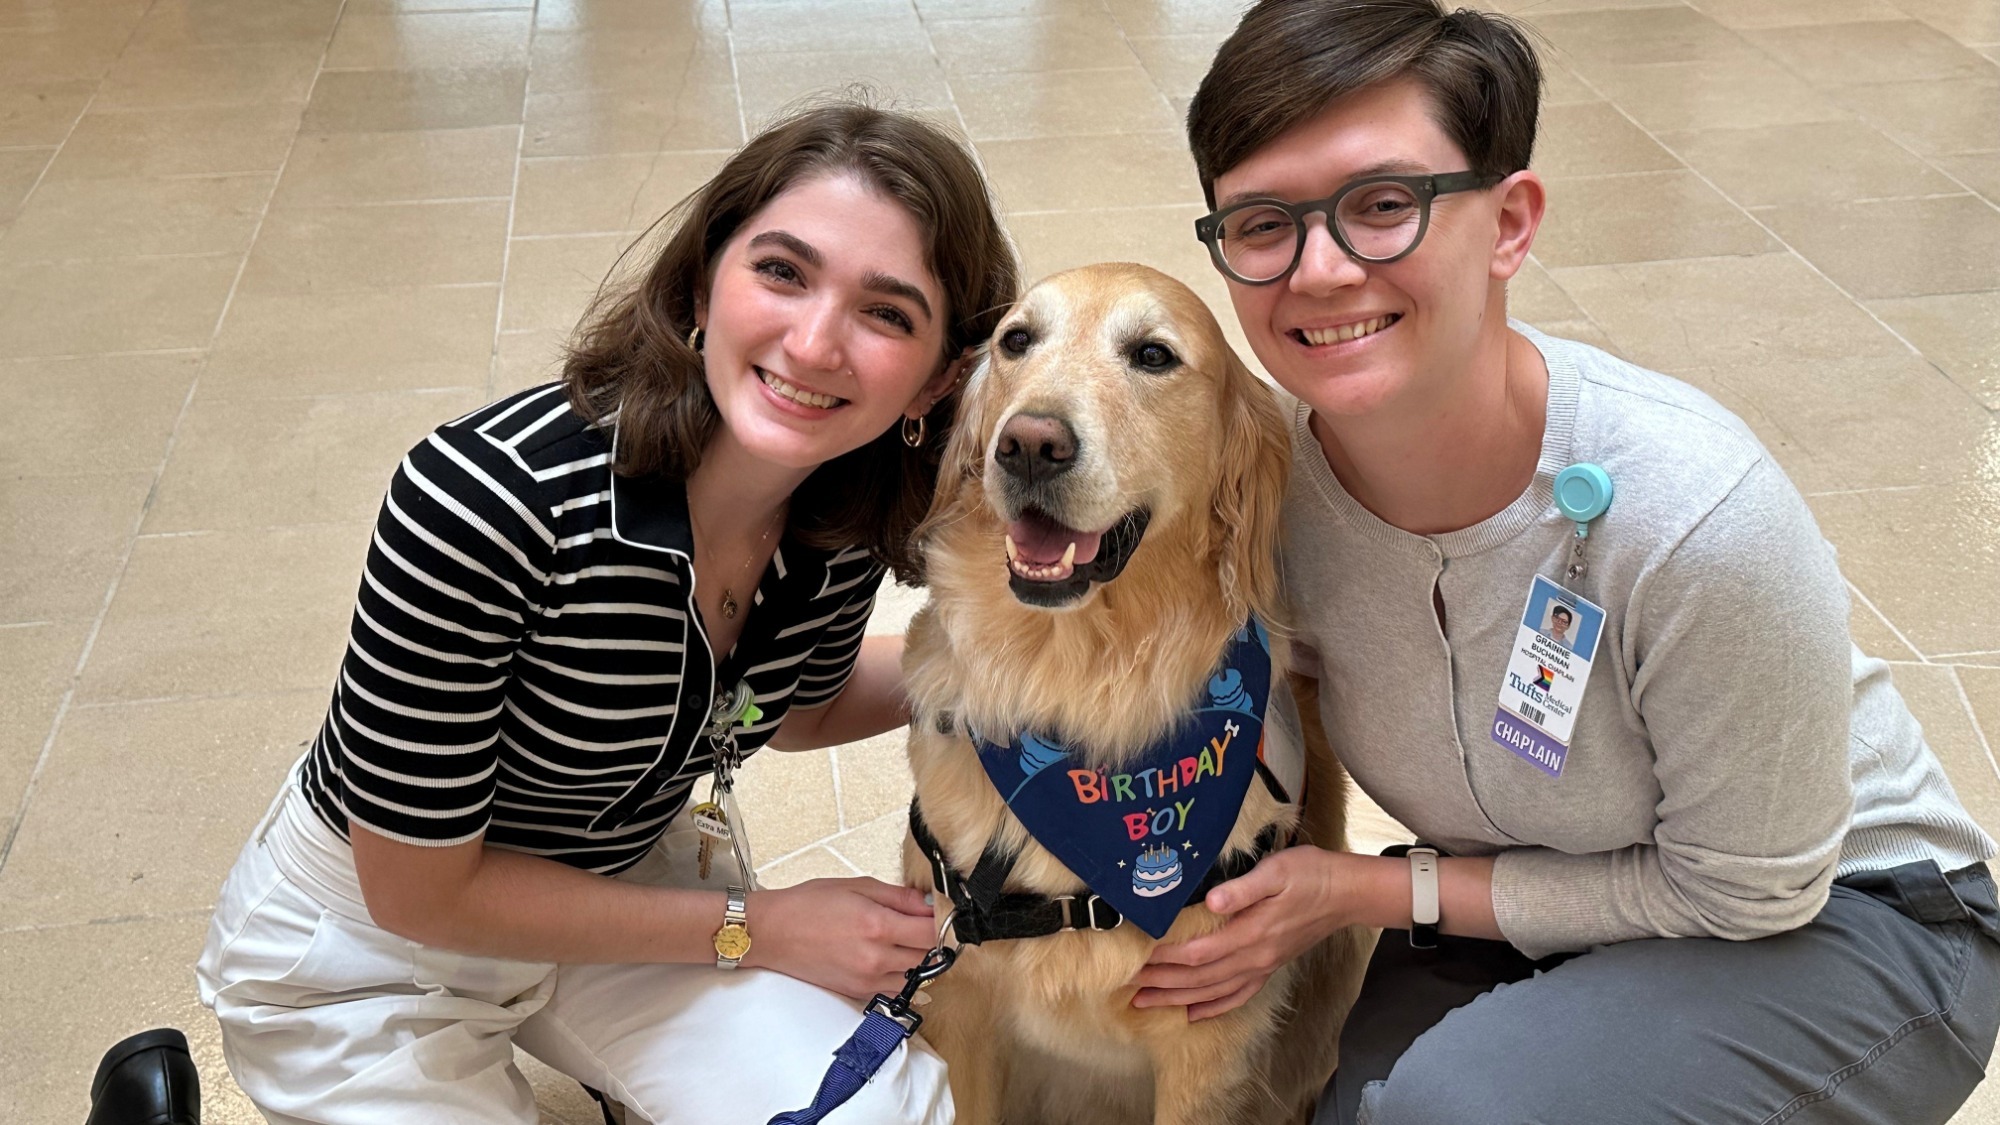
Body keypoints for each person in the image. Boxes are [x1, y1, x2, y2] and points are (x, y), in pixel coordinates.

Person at [1131, 3, 2000, 1123]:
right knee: (1330, 1106)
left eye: (1383, 205)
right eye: (1261, 222)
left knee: (1448, 1111)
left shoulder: (1691, 513)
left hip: (1838, 918)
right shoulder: (1260, 491)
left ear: (1508, 222)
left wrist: (1366, 890)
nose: (1321, 268)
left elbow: (1746, 890)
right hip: (1517, 882)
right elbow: (1119, 636)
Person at [195, 100, 1018, 1125]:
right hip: (374, 951)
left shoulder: (836, 512)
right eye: (781, 272)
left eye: (886, 313)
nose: (813, 345)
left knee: (890, 1112)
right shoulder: (484, 500)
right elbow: (418, 893)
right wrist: (754, 927)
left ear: (936, 381)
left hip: (624, 893)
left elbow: (791, 709)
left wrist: (1010, 661)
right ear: (703, 280)